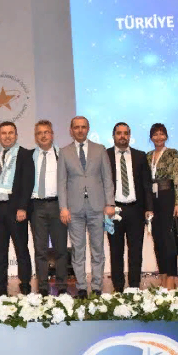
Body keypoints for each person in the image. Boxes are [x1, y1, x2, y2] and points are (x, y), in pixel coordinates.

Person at [58, 116, 115, 298]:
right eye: (76, 127)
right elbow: (61, 182)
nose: (80, 130)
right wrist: (63, 207)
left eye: (83, 127)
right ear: (71, 130)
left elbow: (107, 178)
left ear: (88, 129)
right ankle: (82, 287)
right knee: (78, 250)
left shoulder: (100, 149)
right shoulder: (64, 152)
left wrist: (110, 203)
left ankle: (97, 286)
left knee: (98, 249)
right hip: (74, 208)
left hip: (97, 207)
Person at [0, 121, 34, 296]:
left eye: (10, 133)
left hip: (16, 210)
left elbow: (27, 183)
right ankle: (1, 286)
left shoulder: (25, 154)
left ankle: (25, 283)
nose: (7, 136)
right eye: (3, 133)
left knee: (21, 249)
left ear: (16, 135)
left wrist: (23, 207)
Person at [106, 123, 154, 292]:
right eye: (119, 133)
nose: (122, 136)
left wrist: (149, 208)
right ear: (113, 136)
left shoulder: (140, 156)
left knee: (136, 251)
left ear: (129, 136)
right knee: (116, 251)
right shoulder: (105, 155)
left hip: (136, 210)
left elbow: (146, 184)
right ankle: (118, 287)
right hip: (114, 210)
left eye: (126, 133)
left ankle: (134, 287)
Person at [29, 120, 69, 295]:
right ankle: (43, 287)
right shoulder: (29, 156)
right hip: (36, 206)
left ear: (52, 134)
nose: (43, 135)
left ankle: (62, 286)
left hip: (57, 205)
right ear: (35, 136)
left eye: (46, 132)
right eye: (39, 133)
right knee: (40, 250)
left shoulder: (62, 155)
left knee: (61, 249)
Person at [146, 124, 178, 289]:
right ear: (151, 137)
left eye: (161, 134)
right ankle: (163, 274)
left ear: (166, 136)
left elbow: (176, 178)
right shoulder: (148, 156)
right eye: (155, 134)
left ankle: (171, 277)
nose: (158, 137)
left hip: (168, 196)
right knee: (157, 238)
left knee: (168, 238)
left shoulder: (172, 153)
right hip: (153, 199)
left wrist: (177, 202)